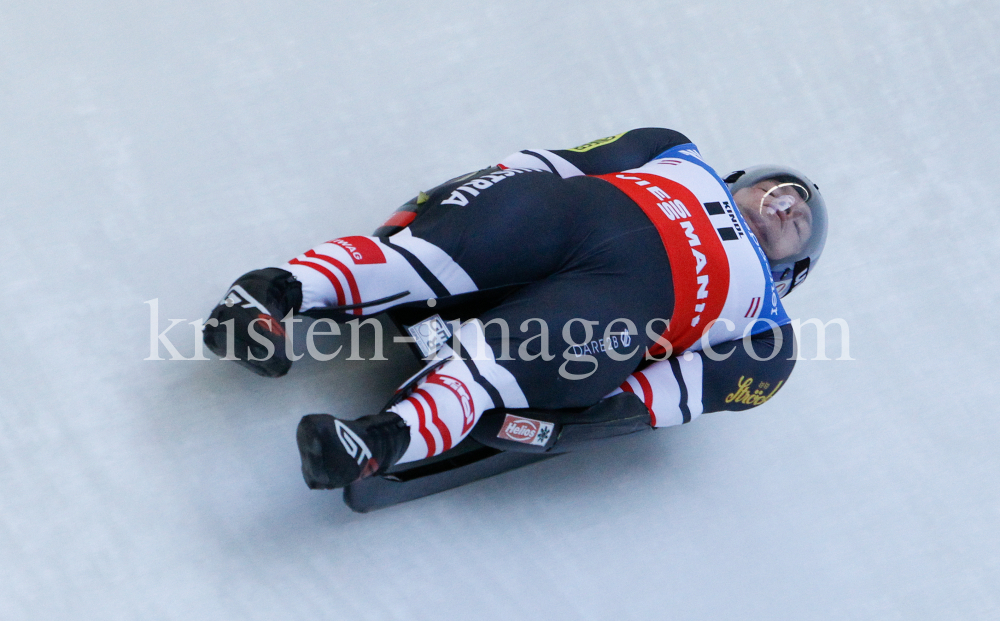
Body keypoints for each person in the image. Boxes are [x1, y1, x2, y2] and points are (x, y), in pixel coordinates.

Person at [203, 128, 828, 489]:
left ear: (789, 271)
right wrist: (437, 208)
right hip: (561, 217)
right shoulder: (675, 152)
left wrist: (559, 420)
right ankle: (267, 298)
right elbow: (547, 165)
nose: (787, 204)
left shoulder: (769, 333)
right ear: (740, 176)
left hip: (612, 311)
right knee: (423, 256)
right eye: (782, 189)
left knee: (491, 367)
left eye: (800, 219)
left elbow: (652, 402)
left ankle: (374, 443)